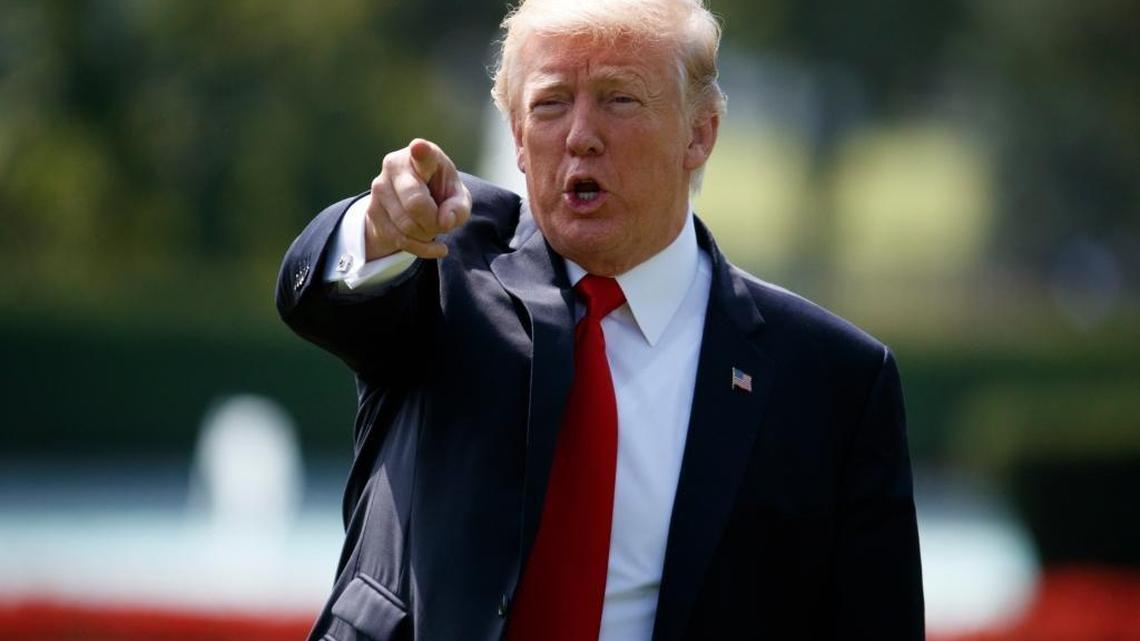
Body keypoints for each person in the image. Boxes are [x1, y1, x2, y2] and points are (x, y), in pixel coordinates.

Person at [276, 0, 924, 639]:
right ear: (518, 140)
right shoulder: (445, 266)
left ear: (699, 134)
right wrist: (378, 229)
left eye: (619, 99)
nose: (581, 134)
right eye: (551, 103)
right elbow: (324, 297)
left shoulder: (833, 378)